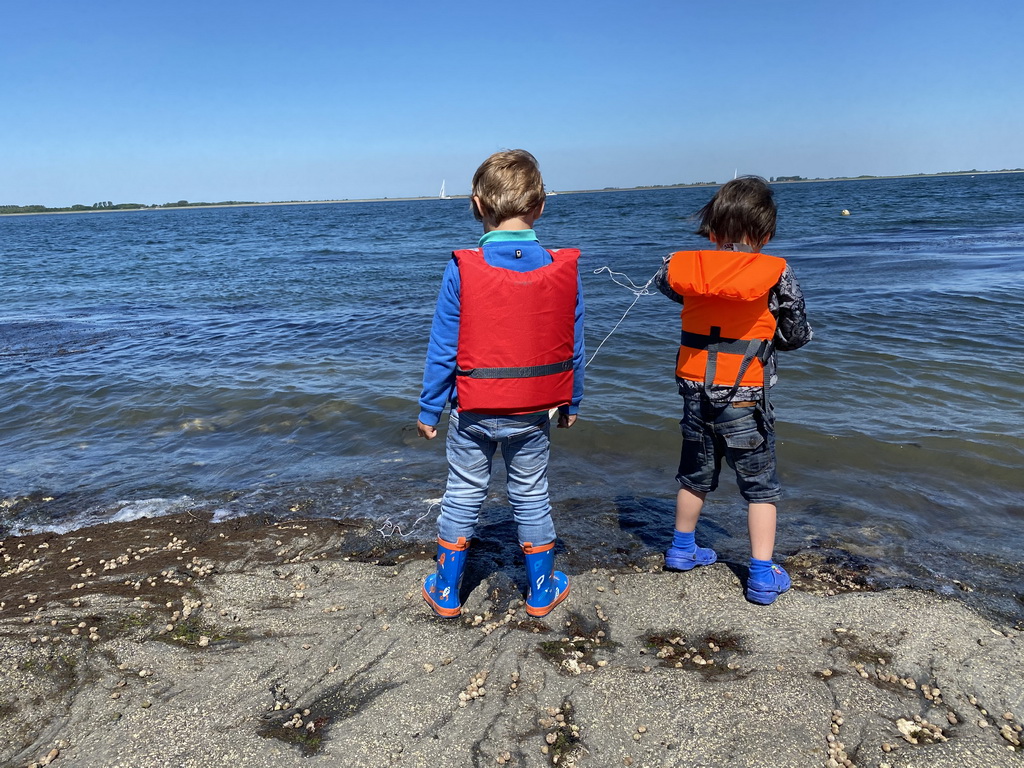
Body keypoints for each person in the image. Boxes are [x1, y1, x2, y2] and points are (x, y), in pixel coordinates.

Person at [417, 149, 585, 619]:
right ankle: (541, 588)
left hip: (472, 410)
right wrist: (572, 398)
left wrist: (429, 409)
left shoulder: (463, 266)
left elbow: (443, 346)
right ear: (540, 205)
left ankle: (447, 590)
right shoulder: (558, 265)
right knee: (530, 493)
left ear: (476, 204)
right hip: (532, 413)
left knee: (464, 491)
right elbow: (573, 343)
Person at [655, 176, 812, 605]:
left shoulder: (680, 269)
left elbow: (668, 286)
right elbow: (797, 334)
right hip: (745, 398)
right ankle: (762, 575)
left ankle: (682, 550)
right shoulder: (777, 272)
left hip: (694, 391)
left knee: (695, 475)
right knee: (761, 488)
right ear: (765, 234)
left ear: (710, 231)